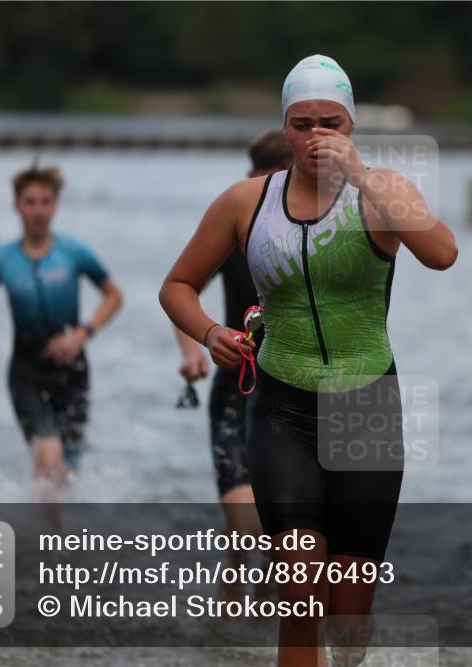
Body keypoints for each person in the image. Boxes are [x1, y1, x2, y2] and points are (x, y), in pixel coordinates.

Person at [160, 54, 457, 667]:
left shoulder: (385, 194)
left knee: (348, 618)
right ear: (285, 127)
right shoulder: (245, 202)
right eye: (301, 124)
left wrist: (365, 177)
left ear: (351, 126)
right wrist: (210, 331)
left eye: (331, 122)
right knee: (299, 595)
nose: (316, 136)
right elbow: (176, 285)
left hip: (366, 408)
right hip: (282, 408)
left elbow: (443, 253)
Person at [0, 165, 123, 498]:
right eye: (30, 202)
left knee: (69, 471)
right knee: (49, 455)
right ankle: (45, 542)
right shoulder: (1, 258)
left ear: (56, 205)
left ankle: (55, 537)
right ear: (17, 206)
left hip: (73, 371)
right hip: (26, 372)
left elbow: (114, 296)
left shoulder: (73, 252)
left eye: (46, 202)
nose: (38, 210)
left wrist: (82, 335)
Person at [173, 129, 293, 603]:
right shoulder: (234, 227)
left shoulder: (314, 241)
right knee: (245, 529)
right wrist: (193, 348)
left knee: (284, 534)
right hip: (234, 386)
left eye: (279, 183)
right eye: (260, 181)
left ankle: (265, 611)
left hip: (291, 391)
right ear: (248, 179)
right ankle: (230, 616)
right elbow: (179, 291)